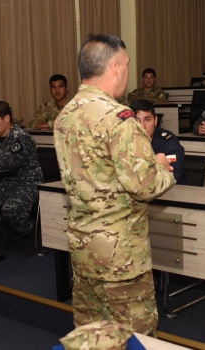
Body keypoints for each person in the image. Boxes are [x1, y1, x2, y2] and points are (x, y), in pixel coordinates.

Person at [54, 34, 175, 335]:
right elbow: (144, 186)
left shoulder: (65, 115)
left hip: (84, 248)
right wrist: (161, 167)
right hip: (121, 255)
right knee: (135, 336)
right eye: (127, 65)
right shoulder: (119, 119)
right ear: (117, 68)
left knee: (93, 334)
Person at [0, 101, 44, 258]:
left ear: (6, 118)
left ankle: (30, 235)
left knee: (11, 209)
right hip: (5, 182)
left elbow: (9, 163)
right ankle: (5, 233)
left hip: (27, 183)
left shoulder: (21, 137)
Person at [130, 99, 187, 184]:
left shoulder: (168, 141)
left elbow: (173, 177)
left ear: (155, 121)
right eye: (137, 121)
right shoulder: (125, 140)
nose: (142, 126)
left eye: (147, 120)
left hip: (172, 194)